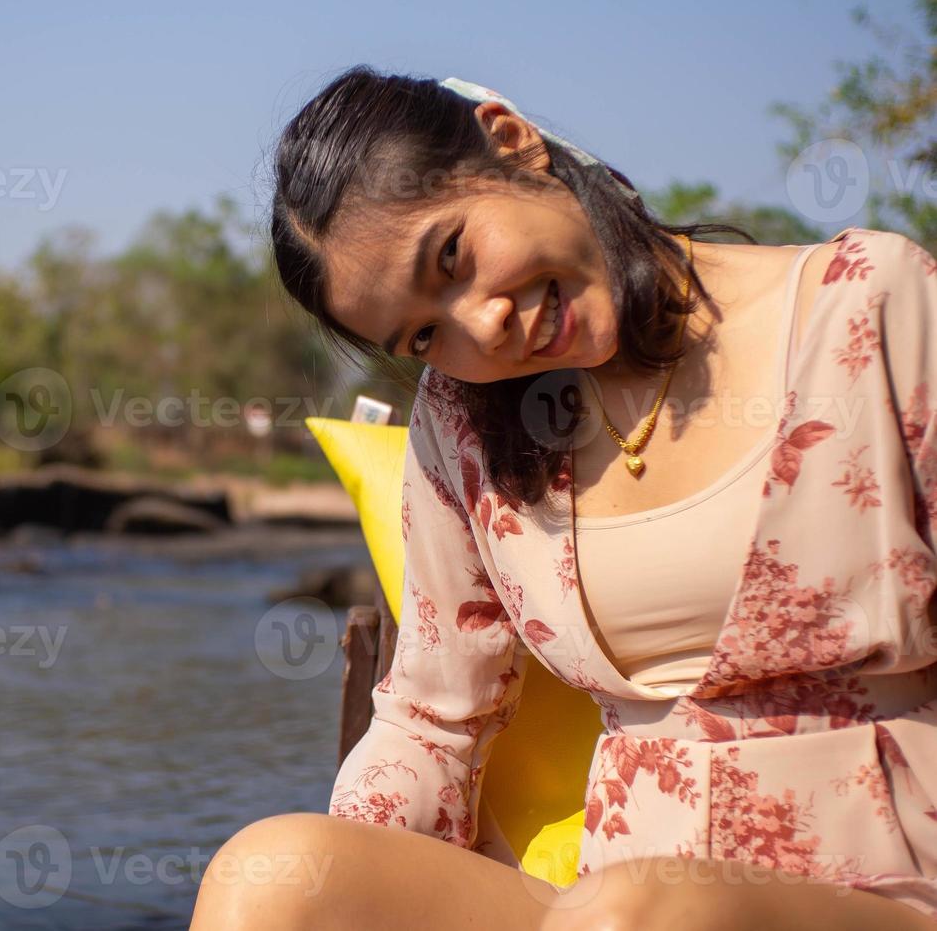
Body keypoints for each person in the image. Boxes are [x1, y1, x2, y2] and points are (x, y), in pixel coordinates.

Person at [189, 66, 937, 929]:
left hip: (885, 887)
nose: (479, 329)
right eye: (425, 334)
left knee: (641, 911)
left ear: (513, 143)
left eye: (451, 257)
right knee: (272, 877)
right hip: (598, 903)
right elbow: (433, 719)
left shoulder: (868, 303)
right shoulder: (465, 420)